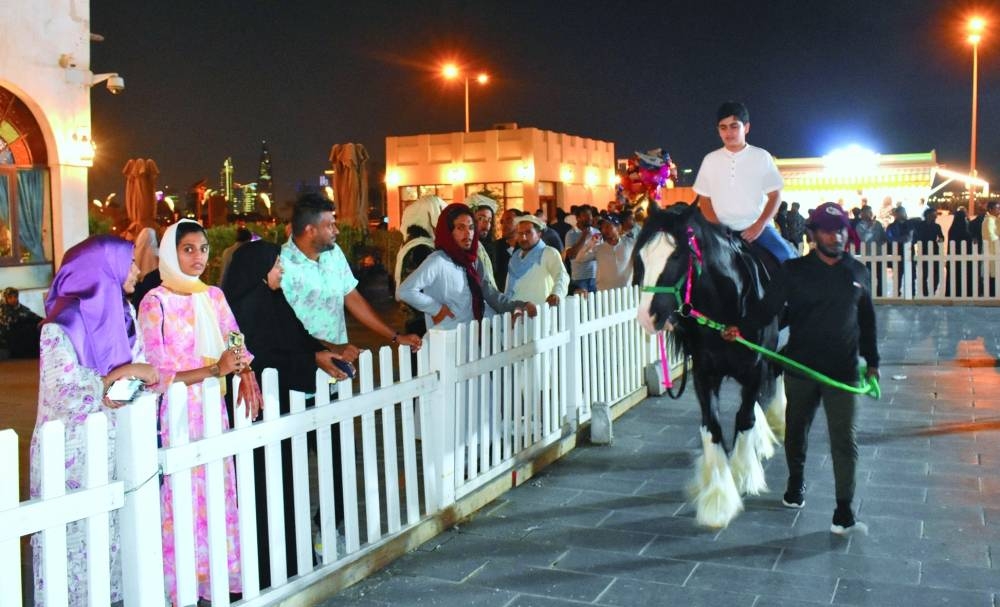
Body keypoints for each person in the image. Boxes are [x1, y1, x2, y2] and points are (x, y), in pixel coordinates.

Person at [723, 202, 879, 536]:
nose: (835, 237)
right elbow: (767, 310)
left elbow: (867, 321)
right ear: (812, 234)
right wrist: (741, 328)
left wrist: (874, 363)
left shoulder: (858, 272)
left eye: (840, 230)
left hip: (843, 372)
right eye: (827, 230)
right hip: (801, 368)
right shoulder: (793, 272)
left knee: (844, 441)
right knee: (796, 431)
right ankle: (795, 484)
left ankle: (844, 511)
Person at [30, 236, 159, 606]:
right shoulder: (61, 325)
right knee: (70, 550)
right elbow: (64, 392)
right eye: (130, 262)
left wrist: (134, 380)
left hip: (115, 448)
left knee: (111, 546)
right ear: (104, 268)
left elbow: (141, 373)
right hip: (70, 455)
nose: (137, 269)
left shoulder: (123, 314)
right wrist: (123, 373)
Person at [138, 219, 262, 602]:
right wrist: (215, 369)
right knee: (181, 494)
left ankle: (214, 578)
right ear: (171, 253)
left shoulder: (213, 296)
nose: (198, 257)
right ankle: (181, 583)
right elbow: (156, 371)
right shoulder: (155, 301)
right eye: (188, 249)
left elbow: (234, 336)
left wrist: (245, 371)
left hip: (211, 405)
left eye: (203, 249)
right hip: (175, 411)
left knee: (214, 490)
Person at [221, 239, 352, 586]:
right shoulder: (237, 311)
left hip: (281, 411)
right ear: (259, 270)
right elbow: (254, 357)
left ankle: (293, 561)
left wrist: (326, 352)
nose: (282, 270)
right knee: (263, 494)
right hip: (255, 412)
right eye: (276, 265)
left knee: (288, 489)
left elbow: (298, 338)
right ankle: (265, 569)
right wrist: (311, 359)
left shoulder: (274, 300)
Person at [281, 193, 421, 355]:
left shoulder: (333, 253)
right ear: (311, 230)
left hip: (338, 360)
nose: (337, 231)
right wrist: (330, 348)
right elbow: (284, 324)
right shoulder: (282, 266)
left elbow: (352, 298)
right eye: (330, 226)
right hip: (300, 362)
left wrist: (396, 337)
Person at [397, 203, 537, 331]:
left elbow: (489, 293)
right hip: (448, 340)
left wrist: (517, 306)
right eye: (460, 228)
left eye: (471, 228)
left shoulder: (473, 261)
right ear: (448, 231)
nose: (468, 234)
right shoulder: (438, 260)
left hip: (474, 336)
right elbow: (405, 291)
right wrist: (436, 309)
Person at [693, 101, 798, 264]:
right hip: (720, 232)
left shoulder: (762, 157)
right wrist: (719, 228)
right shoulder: (710, 160)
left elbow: (775, 195)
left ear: (746, 128)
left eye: (734, 126)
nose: (729, 132)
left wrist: (759, 224)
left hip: (758, 230)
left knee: (787, 258)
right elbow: (704, 199)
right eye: (723, 127)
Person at [394, 195, 446, 336]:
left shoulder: (413, 245)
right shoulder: (421, 248)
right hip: (424, 321)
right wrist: (438, 309)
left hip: (419, 320)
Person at [504, 214, 569, 306]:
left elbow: (561, 275)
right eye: (520, 233)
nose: (523, 237)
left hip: (539, 313)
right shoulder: (515, 257)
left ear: (539, 234)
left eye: (528, 233)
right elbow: (508, 288)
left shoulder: (549, 253)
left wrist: (556, 294)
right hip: (516, 312)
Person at [563, 206, 601, 293]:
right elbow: (571, 255)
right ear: (578, 218)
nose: (589, 218)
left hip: (595, 276)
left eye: (590, 215)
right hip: (579, 278)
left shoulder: (596, 232)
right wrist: (583, 236)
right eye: (586, 215)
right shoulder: (571, 234)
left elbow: (600, 251)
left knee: (595, 304)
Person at [592, 215, 635, 291]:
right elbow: (580, 259)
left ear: (618, 228)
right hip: (604, 293)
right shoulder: (597, 247)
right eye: (602, 227)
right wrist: (589, 245)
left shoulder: (631, 244)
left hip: (626, 291)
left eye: (608, 226)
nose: (604, 230)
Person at [467, 193, 500, 289]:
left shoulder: (489, 247)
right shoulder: (464, 247)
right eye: (481, 218)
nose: (486, 224)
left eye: (489, 220)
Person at [853, 206, 888, 296]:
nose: (870, 214)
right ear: (862, 214)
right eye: (868, 212)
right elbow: (864, 238)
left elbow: (883, 237)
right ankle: (870, 294)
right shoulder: (859, 226)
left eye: (871, 212)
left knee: (880, 275)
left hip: (879, 254)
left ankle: (880, 294)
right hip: (867, 255)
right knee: (869, 276)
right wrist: (870, 227)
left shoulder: (878, 224)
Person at [0, 286, 42, 358]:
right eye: (10, 297)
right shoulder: (2, 310)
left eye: (15, 297)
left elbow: (35, 317)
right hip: (8, 342)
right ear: (5, 298)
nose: (13, 299)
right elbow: (8, 324)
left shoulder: (22, 309)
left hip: (25, 340)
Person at [914, 207, 944, 296]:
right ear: (927, 215)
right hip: (923, 250)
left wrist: (941, 239)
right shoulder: (920, 225)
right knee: (924, 273)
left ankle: (933, 291)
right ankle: (925, 292)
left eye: (935, 215)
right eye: (933, 215)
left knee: (936, 273)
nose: (935, 217)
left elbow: (941, 236)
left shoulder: (937, 226)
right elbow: (916, 236)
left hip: (935, 250)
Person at [947, 208, 973, 297]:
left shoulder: (953, 228)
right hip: (964, 257)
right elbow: (968, 239)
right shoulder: (964, 228)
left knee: (955, 276)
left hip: (955, 257)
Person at [982, 201, 1000, 297]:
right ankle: (992, 296)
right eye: (997, 208)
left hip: (994, 251)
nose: (999, 210)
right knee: (993, 276)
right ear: (990, 209)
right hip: (992, 251)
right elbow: (992, 236)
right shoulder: (989, 220)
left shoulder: (994, 219)